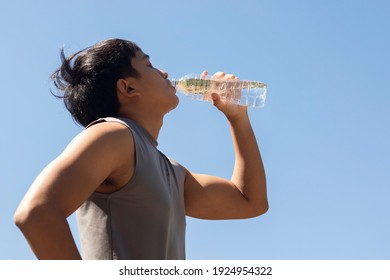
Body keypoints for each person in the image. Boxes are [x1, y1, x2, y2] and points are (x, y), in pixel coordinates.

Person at [14, 38, 268, 260]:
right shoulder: (113, 133)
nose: (165, 73)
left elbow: (250, 202)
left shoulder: (171, 170)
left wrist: (237, 117)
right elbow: (36, 213)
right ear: (128, 87)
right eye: (149, 65)